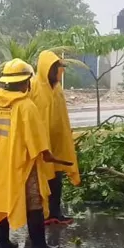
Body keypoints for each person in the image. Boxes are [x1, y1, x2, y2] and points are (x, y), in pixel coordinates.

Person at [0, 59, 72, 248]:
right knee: (35, 203)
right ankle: (38, 247)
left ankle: (4, 244)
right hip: (21, 166)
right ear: (27, 82)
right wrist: (52, 157)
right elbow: (38, 144)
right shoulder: (26, 106)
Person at [30, 50, 80, 225]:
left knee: (56, 179)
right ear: (46, 69)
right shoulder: (33, 86)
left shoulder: (57, 88)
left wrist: (67, 134)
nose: (59, 72)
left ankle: (55, 212)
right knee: (40, 180)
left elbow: (62, 115)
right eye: (56, 68)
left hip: (56, 143)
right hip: (40, 145)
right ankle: (40, 215)